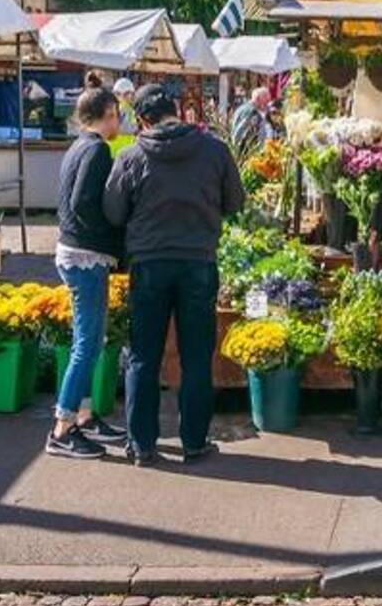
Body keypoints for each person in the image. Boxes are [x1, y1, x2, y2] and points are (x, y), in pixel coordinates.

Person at [103, 83, 245, 465]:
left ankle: (142, 443)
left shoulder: (132, 156)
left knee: (143, 356)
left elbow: (113, 212)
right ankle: (194, 441)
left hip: (148, 264)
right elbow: (236, 202)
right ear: (178, 111)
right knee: (197, 355)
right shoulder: (214, 150)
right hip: (198, 262)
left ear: (143, 120)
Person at [46, 85, 128, 459]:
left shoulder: (78, 145)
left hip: (74, 251)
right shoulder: (96, 150)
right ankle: (62, 429)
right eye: (116, 114)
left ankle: (83, 415)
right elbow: (82, 203)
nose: (119, 120)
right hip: (86, 255)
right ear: (108, 113)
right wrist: (111, 236)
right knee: (87, 344)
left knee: (90, 340)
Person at [229, 86, 272, 159]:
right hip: (245, 153)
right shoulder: (252, 113)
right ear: (258, 98)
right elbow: (240, 132)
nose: (267, 105)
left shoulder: (241, 108)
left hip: (237, 151)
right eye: (266, 101)